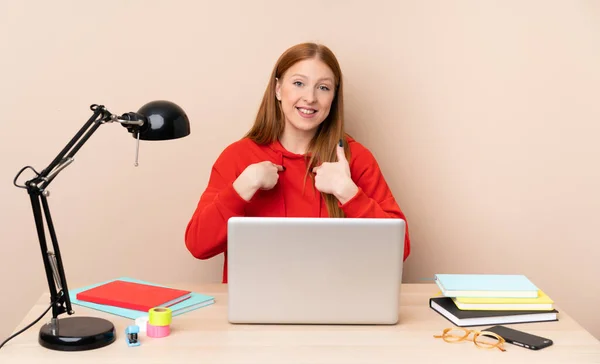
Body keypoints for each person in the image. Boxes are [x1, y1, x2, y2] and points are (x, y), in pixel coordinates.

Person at [185, 42, 410, 283]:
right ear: (278, 89)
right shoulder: (237, 157)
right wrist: (244, 187)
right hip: (256, 311)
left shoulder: (354, 158)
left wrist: (348, 192)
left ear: (333, 98)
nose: (310, 98)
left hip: (337, 306)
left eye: (323, 87)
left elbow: (399, 251)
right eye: (299, 83)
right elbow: (199, 245)